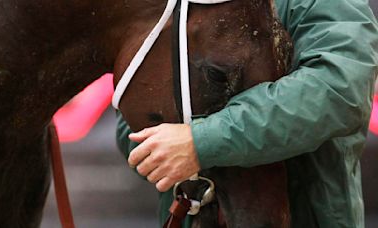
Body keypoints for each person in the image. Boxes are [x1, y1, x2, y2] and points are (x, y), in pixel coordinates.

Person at [116, 0, 378, 227]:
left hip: (305, 215)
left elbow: (338, 89)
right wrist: (172, 148)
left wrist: (201, 142)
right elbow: (131, 123)